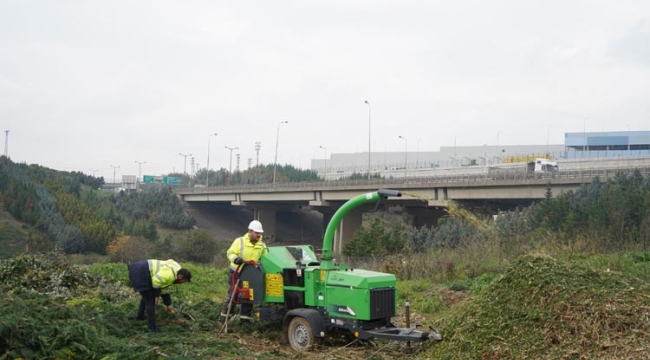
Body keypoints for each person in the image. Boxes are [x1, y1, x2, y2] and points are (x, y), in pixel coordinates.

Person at [219, 220, 266, 325]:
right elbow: (230, 253)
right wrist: (236, 259)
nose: (259, 235)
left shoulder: (262, 245)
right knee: (232, 295)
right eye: (257, 233)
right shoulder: (239, 241)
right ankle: (223, 320)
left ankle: (245, 322)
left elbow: (265, 259)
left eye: (260, 233)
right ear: (250, 231)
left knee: (249, 297)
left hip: (251, 275)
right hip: (237, 273)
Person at [127, 259, 192, 332]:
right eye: (183, 281)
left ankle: (140, 316)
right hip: (141, 273)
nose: (181, 283)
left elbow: (163, 288)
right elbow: (156, 281)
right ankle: (152, 328)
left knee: (147, 296)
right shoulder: (170, 275)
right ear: (180, 277)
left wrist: (168, 304)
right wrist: (156, 296)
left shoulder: (175, 271)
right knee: (150, 301)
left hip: (143, 271)